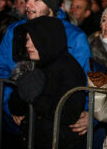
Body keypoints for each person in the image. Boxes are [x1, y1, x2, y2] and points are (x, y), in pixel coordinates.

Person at [0, 0, 91, 146]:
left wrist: (89, 114)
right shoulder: (15, 30)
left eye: (36, 0)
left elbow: (85, 81)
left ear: (51, 4)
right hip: (18, 123)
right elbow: (2, 70)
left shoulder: (75, 36)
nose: (28, 5)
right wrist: (11, 107)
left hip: (56, 128)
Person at [9, 16, 86, 149]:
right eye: (27, 39)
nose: (27, 45)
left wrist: (36, 98)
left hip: (60, 142)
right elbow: (17, 107)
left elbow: (68, 113)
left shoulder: (70, 69)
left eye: (34, 39)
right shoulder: (33, 66)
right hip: (31, 139)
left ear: (48, 39)